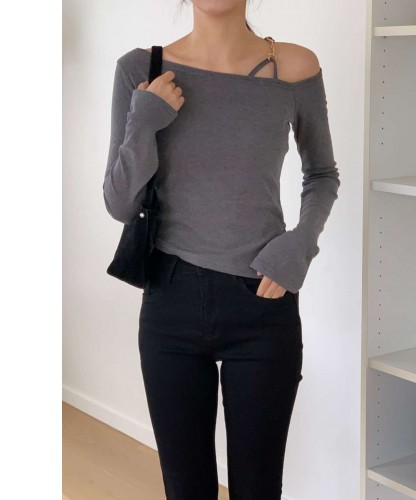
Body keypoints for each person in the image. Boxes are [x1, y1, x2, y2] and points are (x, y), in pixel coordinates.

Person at [103, 1, 340, 498]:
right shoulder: (141, 68)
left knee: (258, 487)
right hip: (170, 301)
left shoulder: (295, 67)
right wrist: (144, 122)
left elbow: (321, 173)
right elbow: (120, 204)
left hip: (264, 298)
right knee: (186, 488)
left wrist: (300, 244)